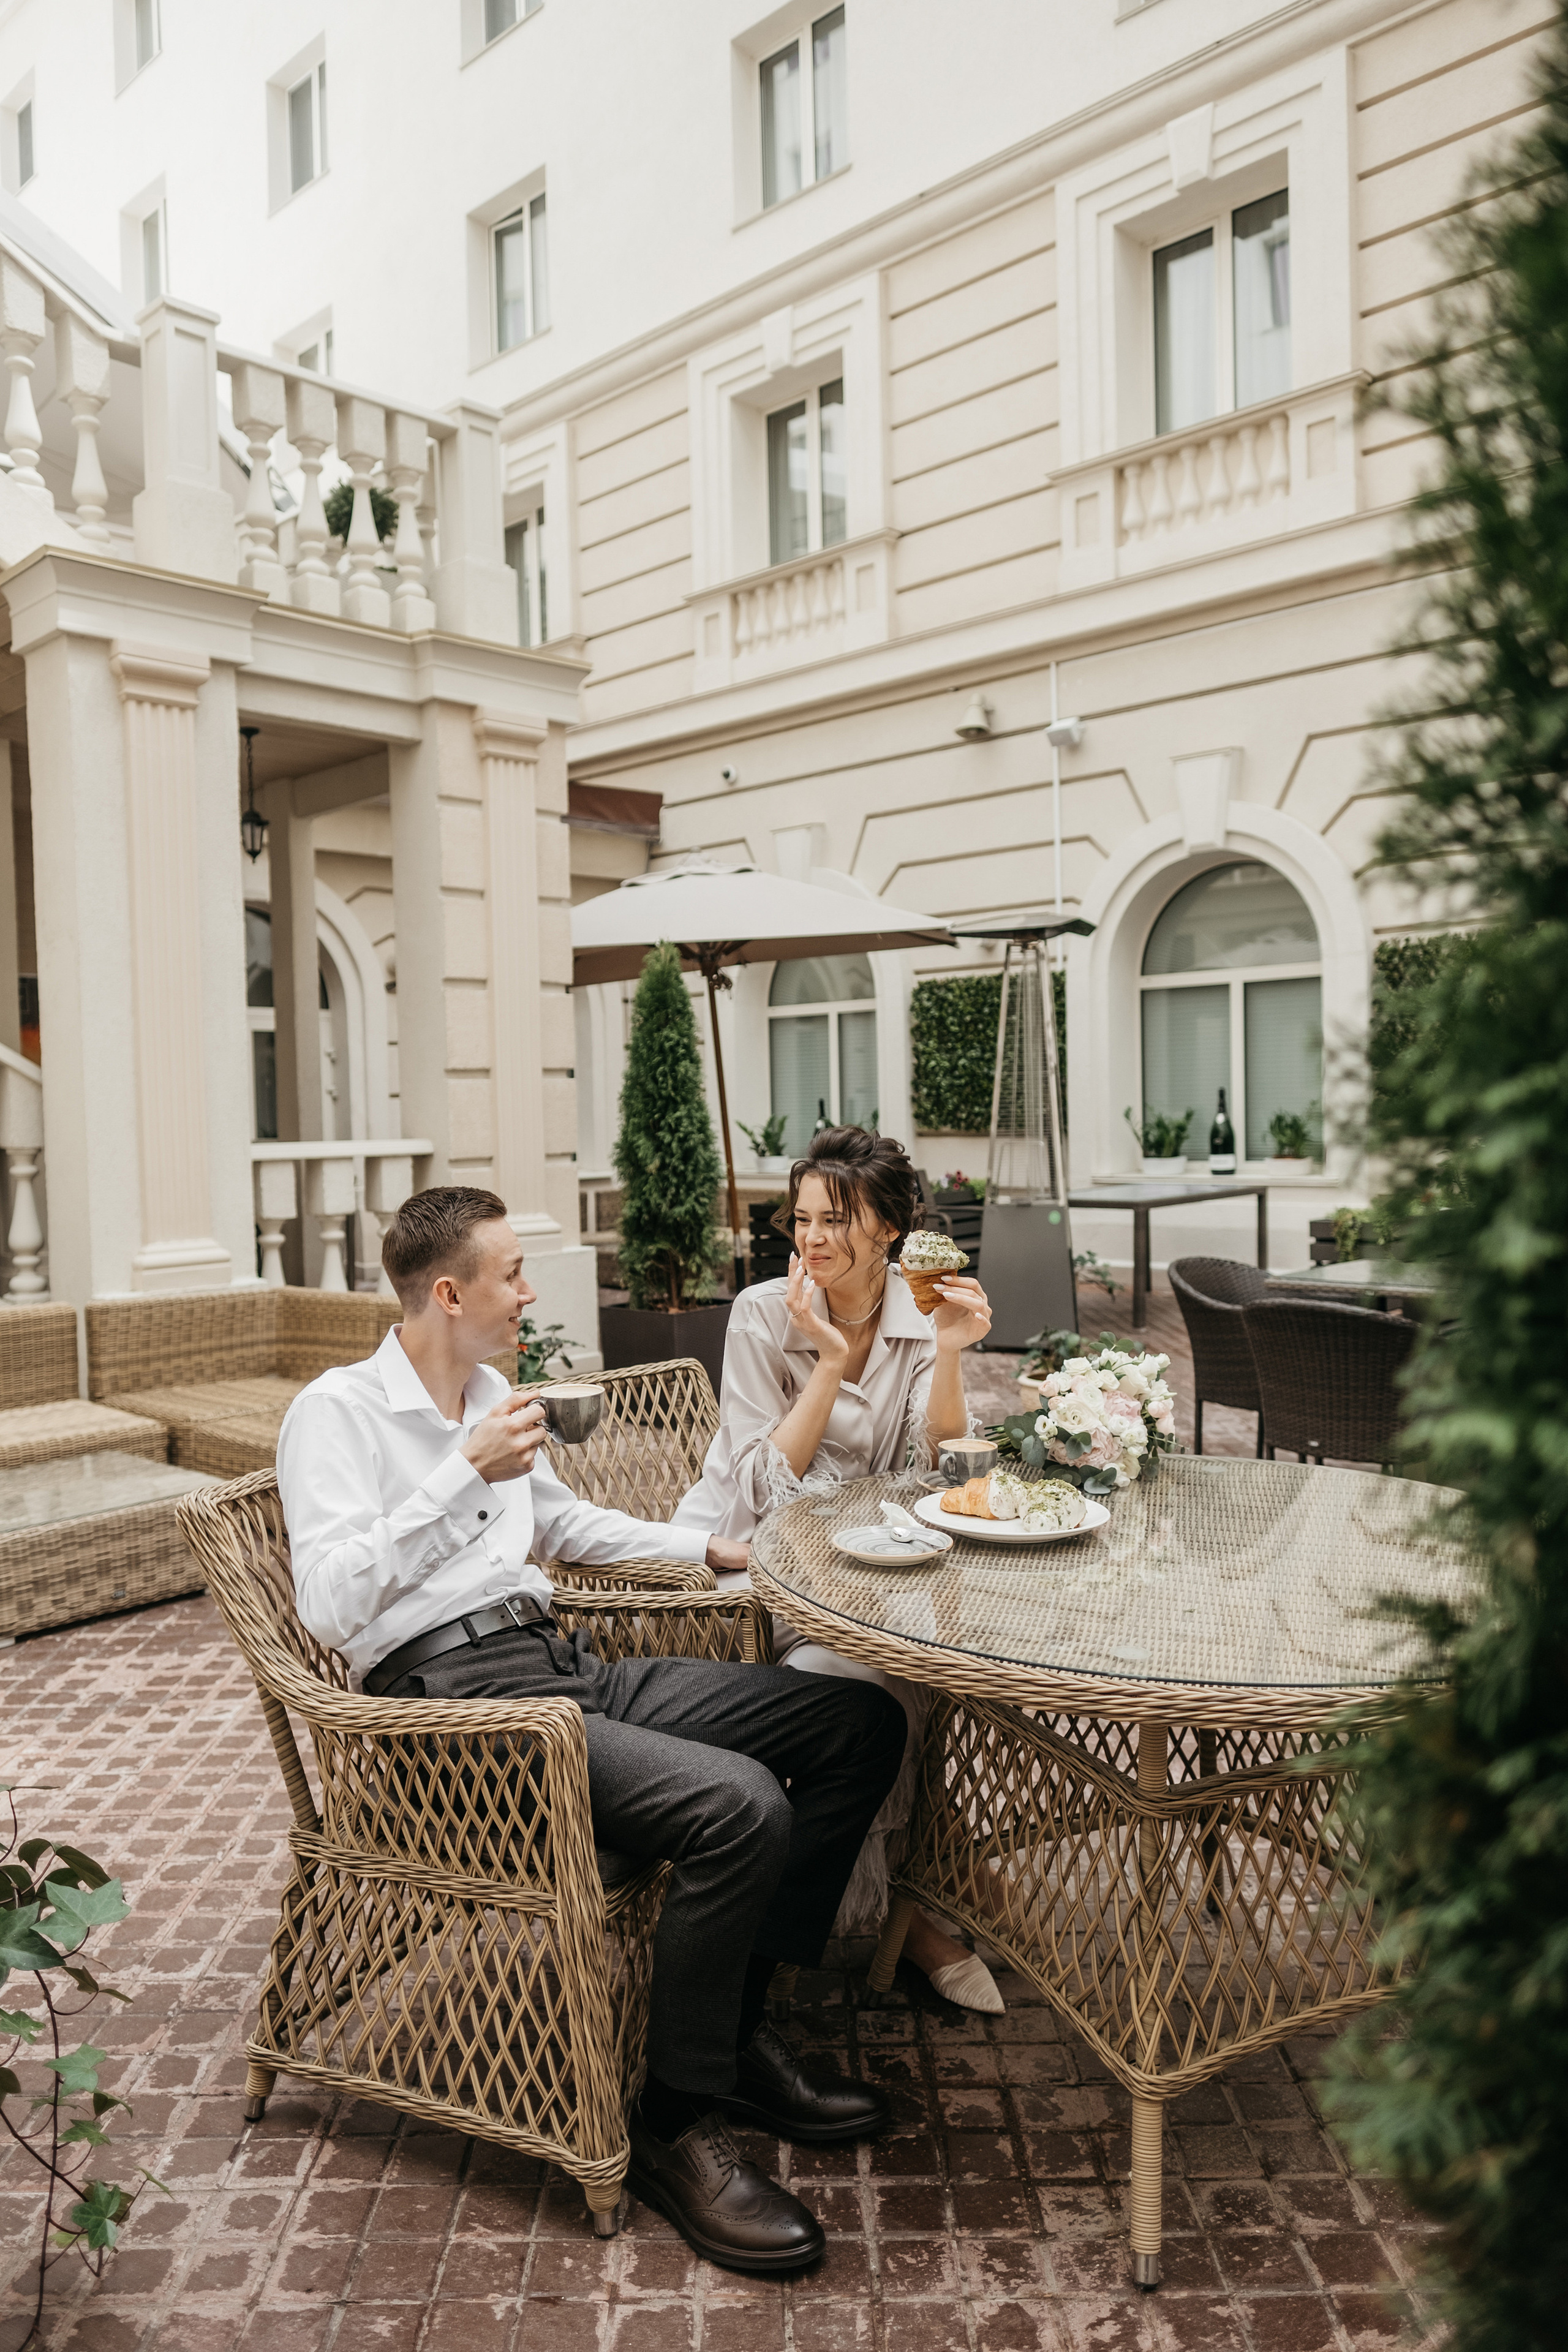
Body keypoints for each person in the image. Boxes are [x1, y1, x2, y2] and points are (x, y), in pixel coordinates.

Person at [276, 1186, 907, 2276]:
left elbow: (563, 1525)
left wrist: (707, 1551)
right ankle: (672, 2119)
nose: (530, 1292)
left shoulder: (489, 1392)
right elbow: (330, 1606)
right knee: (739, 1805)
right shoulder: (335, 1414)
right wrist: (461, 1473)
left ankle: (732, 2035)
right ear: (448, 1292)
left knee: (856, 1724)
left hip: (561, 1666)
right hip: (452, 1716)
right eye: (513, 1274)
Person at [673, 1126, 1004, 2014]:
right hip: (756, 1563)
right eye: (803, 1220)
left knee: (949, 1651)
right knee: (863, 1675)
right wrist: (824, 1361)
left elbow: (941, 1468)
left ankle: (918, 1876)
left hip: (882, 1564)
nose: (812, 1240)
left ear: (890, 1229)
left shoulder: (918, 1312)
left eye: (836, 1221)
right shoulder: (762, 1314)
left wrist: (949, 1350)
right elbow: (757, 1488)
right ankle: (903, 1910)